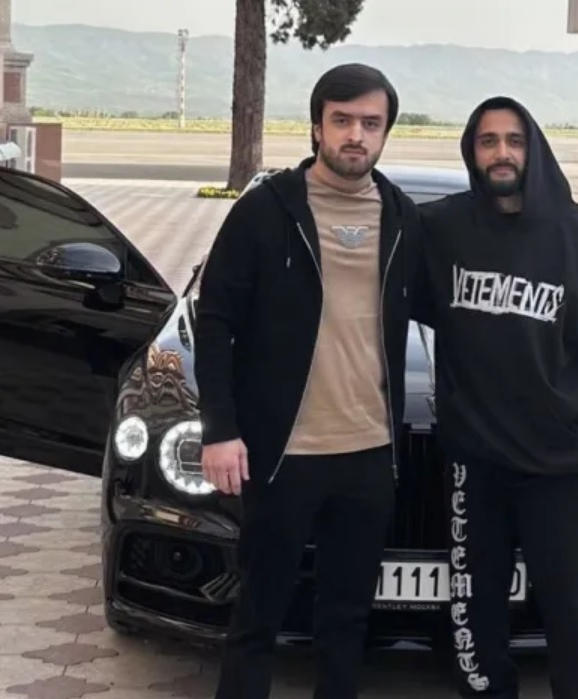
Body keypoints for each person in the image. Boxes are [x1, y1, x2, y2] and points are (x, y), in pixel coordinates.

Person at [411, 96, 578, 699]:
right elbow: (373, 267)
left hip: (566, 464)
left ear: (534, 149)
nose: (501, 153)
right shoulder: (441, 230)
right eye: (488, 141)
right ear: (471, 152)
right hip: (476, 464)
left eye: (514, 140)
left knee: (575, 621)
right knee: (475, 622)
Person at [194, 63, 425, 699]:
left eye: (371, 123)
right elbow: (214, 321)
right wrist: (220, 430)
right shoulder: (265, 211)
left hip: (370, 454)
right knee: (258, 614)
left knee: (346, 619)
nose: (356, 135)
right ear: (317, 126)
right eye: (342, 120)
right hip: (281, 455)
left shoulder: (403, 218)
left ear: (386, 132)